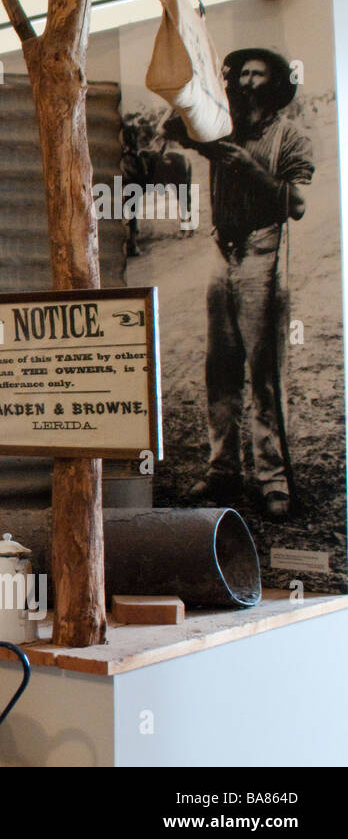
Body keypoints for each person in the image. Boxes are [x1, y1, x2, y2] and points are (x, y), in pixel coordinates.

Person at [175, 48, 314, 520]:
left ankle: (272, 479)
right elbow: (185, 132)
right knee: (220, 368)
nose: (249, 82)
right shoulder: (223, 128)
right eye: (244, 74)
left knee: (265, 373)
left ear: (275, 85)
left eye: (260, 75)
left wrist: (250, 168)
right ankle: (223, 471)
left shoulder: (289, 136)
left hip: (263, 254)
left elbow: (295, 204)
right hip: (222, 253)